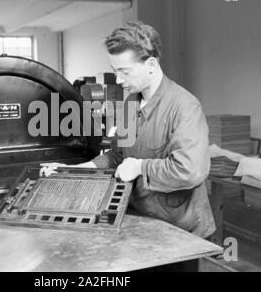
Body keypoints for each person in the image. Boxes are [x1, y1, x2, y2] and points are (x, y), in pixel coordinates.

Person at [41, 21, 215, 238]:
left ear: (151, 64)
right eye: (115, 71)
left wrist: (140, 167)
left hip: (180, 227)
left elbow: (190, 171)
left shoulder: (184, 106)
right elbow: (117, 156)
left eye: (125, 71)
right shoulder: (130, 103)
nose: (119, 80)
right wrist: (75, 170)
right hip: (140, 218)